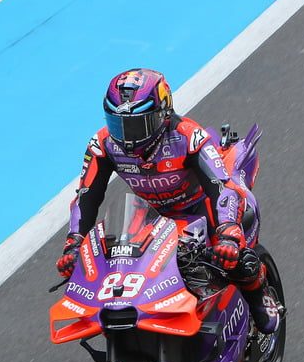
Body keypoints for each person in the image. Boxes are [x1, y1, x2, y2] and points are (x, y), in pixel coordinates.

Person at [55, 68, 280, 334]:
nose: (127, 135)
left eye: (137, 124)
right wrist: (74, 243)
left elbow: (221, 187)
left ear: (162, 114)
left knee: (233, 258)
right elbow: (86, 196)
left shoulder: (187, 135)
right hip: (153, 214)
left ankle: (259, 296)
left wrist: (228, 232)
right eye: (118, 124)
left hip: (202, 205)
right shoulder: (102, 143)